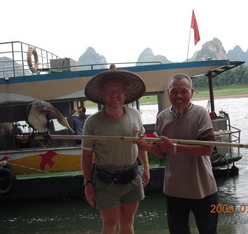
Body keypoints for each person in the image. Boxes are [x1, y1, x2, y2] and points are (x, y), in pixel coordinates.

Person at [136, 73, 218, 234]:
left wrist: (174, 147)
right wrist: (148, 147)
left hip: (203, 189)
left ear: (192, 93)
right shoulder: (162, 117)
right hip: (174, 190)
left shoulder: (200, 113)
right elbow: (163, 153)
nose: (178, 96)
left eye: (184, 91)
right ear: (168, 93)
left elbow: (208, 149)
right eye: (174, 91)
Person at [81, 66, 150, 234]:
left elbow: (141, 144)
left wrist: (146, 168)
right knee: (110, 224)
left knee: (128, 221)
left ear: (124, 93)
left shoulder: (135, 115)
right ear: (103, 95)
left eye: (118, 91)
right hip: (106, 180)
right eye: (109, 91)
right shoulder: (93, 122)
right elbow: (86, 155)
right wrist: (88, 183)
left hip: (132, 176)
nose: (114, 95)